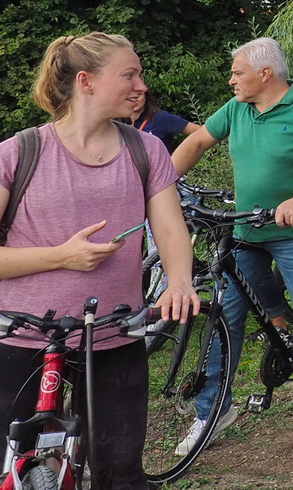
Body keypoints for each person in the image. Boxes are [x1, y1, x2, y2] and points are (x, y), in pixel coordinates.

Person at [0, 34, 199, 490]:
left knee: (120, 474)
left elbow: (170, 229)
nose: (141, 85)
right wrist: (62, 256)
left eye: (140, 74)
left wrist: (179, 281)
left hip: (114, 333)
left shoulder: (145, 151)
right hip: (23, 336)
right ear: (86, 81)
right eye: (129, 74)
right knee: (14, 470)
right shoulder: (19, 152)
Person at [170, 38, 293, 452]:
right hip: (247, 233)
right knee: (225, 320)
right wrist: (158, 186)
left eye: (237, 72)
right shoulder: (237, 109)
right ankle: (215, 411)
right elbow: (198, 142)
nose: (231, 80)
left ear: (265, 73)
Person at [129, 88, 205, 148]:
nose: (134, 99)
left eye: (138, 95)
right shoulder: (119, 123)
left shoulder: (160, 118)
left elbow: (203, 133)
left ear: (145, 97)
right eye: (130, 96)